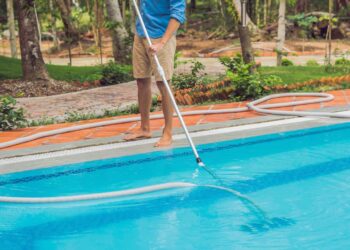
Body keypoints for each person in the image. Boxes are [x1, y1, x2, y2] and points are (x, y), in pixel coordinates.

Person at [124, 0, 186, 147]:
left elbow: (178, 15)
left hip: (161, 36)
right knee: (141, 80)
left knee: (163, 83)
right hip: (141, 33)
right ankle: (145, 128)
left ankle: (168, 132)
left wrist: (162, 43)